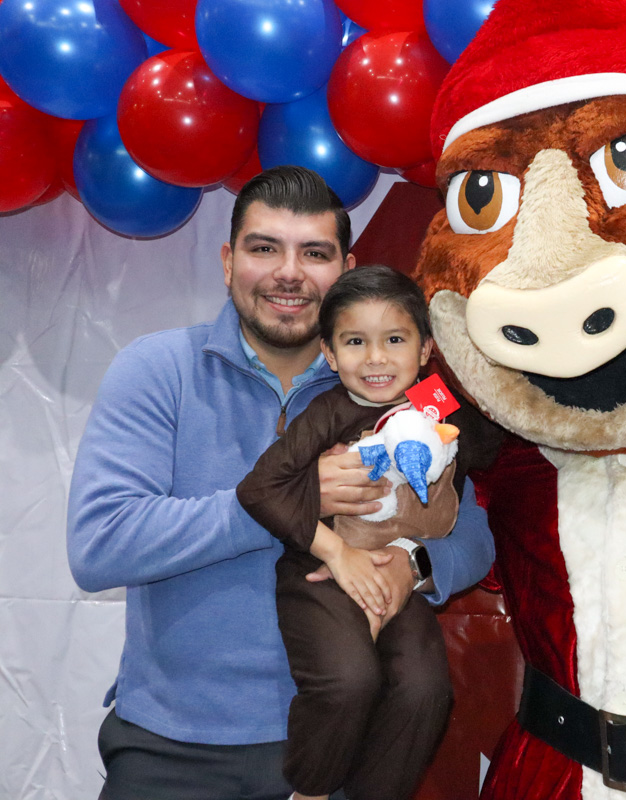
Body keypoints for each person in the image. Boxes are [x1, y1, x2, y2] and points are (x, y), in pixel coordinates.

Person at [67, 165, 496, 800]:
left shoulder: (392, 388)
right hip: (173, 747)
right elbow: (102, 545)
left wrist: (413, 564)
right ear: (227, 262)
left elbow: (474, 536)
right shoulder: (157, 370)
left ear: (346, 270)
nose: (289, 273)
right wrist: (297, 499)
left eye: (314, 253)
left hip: (339, 746)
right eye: (264, 248)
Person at [237, 264, 498, 800]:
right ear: (330, 354)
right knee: (348, 679)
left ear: (426, 349)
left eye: (395, 340)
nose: (376, 358)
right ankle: (311, 790)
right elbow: (258, 490)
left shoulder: (439, 403)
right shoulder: (327, 411)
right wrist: (336, 552)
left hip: (397, 579)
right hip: (323, 573)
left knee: (425, 690)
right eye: (356, 341)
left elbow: (492, 448)